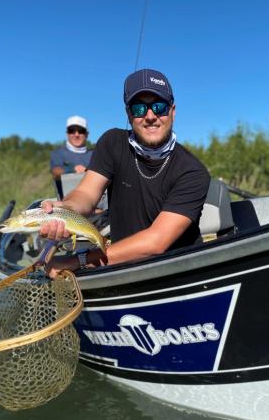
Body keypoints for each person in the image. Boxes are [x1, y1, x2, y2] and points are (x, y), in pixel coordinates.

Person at [40, 68, 210, 277]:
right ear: (129, 114)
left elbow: (155, 243)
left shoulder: (192, 172)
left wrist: (78, 260)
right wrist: (65, 210)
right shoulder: (112, 143)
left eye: (159, 107)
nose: (150, 116)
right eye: (139, 109)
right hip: (120, 267)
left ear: (172, 111)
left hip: (176, 272)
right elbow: (86, 194)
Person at [50, 115, 93, 198]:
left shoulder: (95, 154)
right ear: (67, 134)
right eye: (72, 131)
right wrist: (71, 169)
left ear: (87, 134)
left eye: (81, 131)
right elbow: (56, 172)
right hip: (65, 203)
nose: (76, 134)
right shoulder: (58, 153)